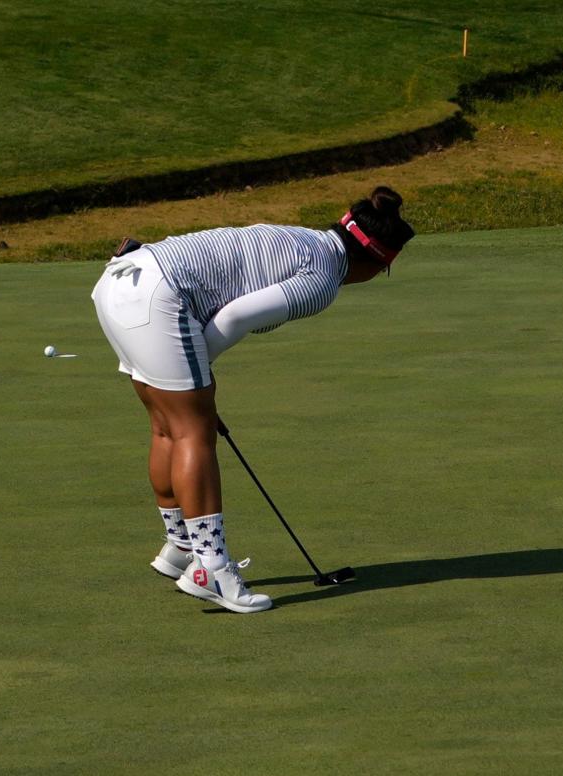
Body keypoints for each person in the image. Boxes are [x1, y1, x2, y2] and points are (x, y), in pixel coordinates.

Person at [91, 186, 415, 613]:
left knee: (168, 426)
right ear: (376, 263)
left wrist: (194, 385)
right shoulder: (321, 280)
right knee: (194, 431)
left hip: (120, 281)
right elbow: (233, 317)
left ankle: (180, 548)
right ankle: (211, 570)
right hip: (158, 295)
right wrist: (199, 386)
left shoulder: (307, 239)